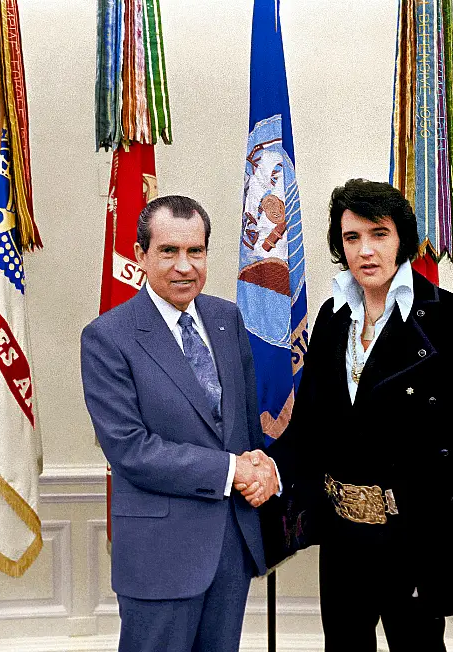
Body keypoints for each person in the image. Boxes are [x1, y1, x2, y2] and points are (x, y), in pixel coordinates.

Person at [245, 179, 453, 651]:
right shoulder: (331, 317)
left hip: (416, 539)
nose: (365, 250)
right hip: (342, 536)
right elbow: (309, 425)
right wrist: (266, 465)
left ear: (402, 239)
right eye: (352, 238)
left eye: (379, 234)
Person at [81, 195, 280, 652]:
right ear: (140, 255)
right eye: (168, 251)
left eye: (195, 251)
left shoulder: (226, 317)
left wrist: (260, 466)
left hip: (231, 547)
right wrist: (233, 471)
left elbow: (245, 426)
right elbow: (130, 448)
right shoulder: (107, 337)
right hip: (159, 555)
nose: (183, 266)